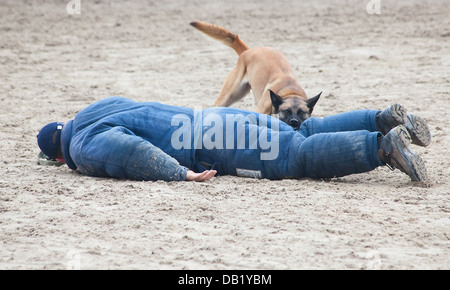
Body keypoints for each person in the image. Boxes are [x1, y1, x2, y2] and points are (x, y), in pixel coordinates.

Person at [36, 96, 430, 182]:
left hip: (209, 140)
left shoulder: (81, 144)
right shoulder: (93, 109)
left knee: (295, 157)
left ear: (57, 156)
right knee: (302, 129)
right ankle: (378, 119)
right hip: (213, 116)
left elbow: (128, 151)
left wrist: (179, 174)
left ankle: (383, 147)